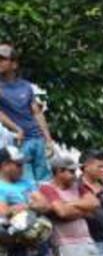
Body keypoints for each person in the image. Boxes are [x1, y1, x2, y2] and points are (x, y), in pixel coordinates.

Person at [0, 145, 53, 256]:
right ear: (5, 165)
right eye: (18, 164)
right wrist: (30, 205)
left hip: (40, 241)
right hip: (19, 245)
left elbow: (45, 205)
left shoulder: (28, 182)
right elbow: (3, 213)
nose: (22, 168)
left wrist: (20, 207)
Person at [0, 44, 54, 182]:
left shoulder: (26, 86)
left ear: (14, 64)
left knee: (45, 180)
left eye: (3, 59)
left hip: (37, 138)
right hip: (17, 141)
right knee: (25, 181)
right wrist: (16, 129)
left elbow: (37, 113)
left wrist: (48, 139)